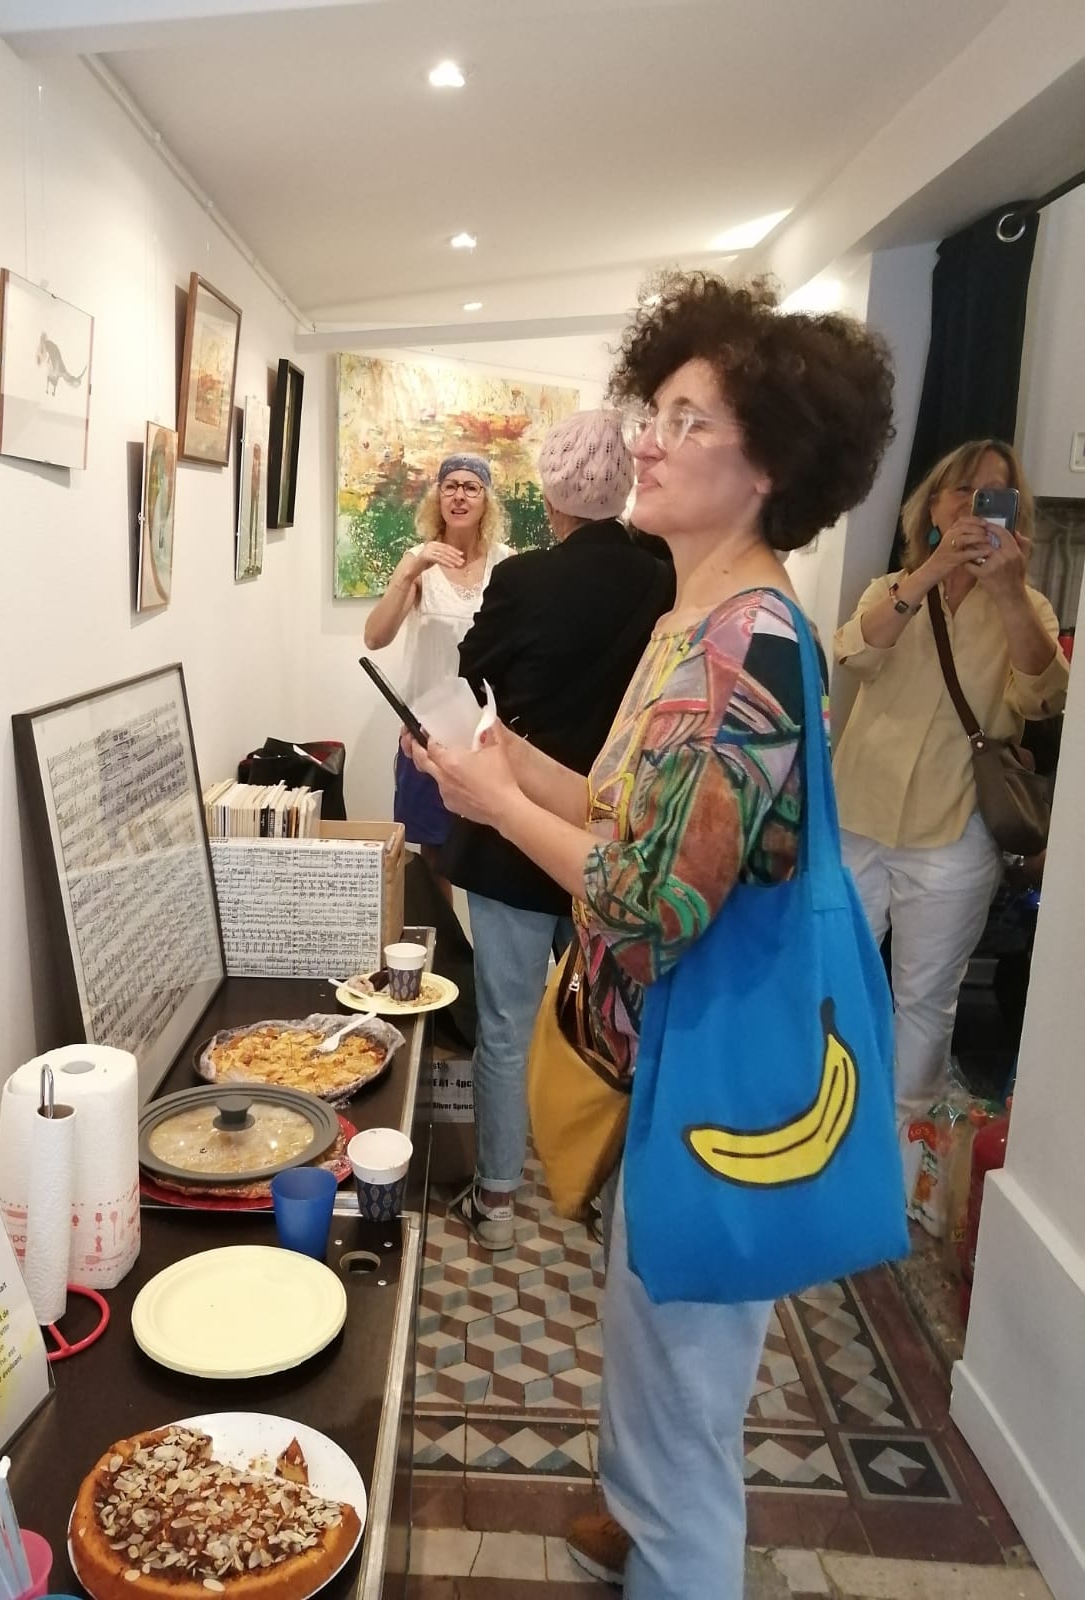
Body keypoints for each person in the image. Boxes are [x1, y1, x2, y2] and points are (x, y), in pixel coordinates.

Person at [407, 271, 895, 1598]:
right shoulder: (694, 616)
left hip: (713, 1073)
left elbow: (647, 899)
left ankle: (672, 1550)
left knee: (686, 1385)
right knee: (646, 1329)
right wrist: (514, 767)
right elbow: (632, 814)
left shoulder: (753, 643)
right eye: (655, 413)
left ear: (769, 464)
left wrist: (501, 808)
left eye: (689, 421)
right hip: (655, 1063)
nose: (651, 441)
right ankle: (634, 1508)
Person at [440, 410, 675, 1249]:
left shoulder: (525, 578)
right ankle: (604, 1199)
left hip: (517, 828)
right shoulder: (664, 579)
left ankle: (499, 1201)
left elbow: (470, 671)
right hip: (611, 834)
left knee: (505, 1023)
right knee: (611, 1023)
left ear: (549, 494)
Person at [833, 440, 1068, 1151]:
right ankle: (823, 1127)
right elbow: (854, 652)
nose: (973, 506)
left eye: (993, 494)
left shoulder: (1029, 604)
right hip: (858, 816)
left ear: (1014, 512)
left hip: (957, 830)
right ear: (931, 506)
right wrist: (933, 571)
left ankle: (902, 1158)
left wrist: (1009, 593)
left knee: (926, 1001)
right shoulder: (891, 588)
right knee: (833, 973)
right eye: (961, 490)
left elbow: (1045, 695)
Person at [362, 454, 512, 894]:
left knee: (495, 851)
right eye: (450, 486)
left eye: (471, 487)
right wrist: (410, 571)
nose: (459, 496)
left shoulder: (506, 564)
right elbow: (374, 637)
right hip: (428, 735)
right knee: (434, 858)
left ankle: (481, 939)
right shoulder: (418, 561)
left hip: (488, 734)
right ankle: (444, 938)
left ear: (486, 499)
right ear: (438, 497)